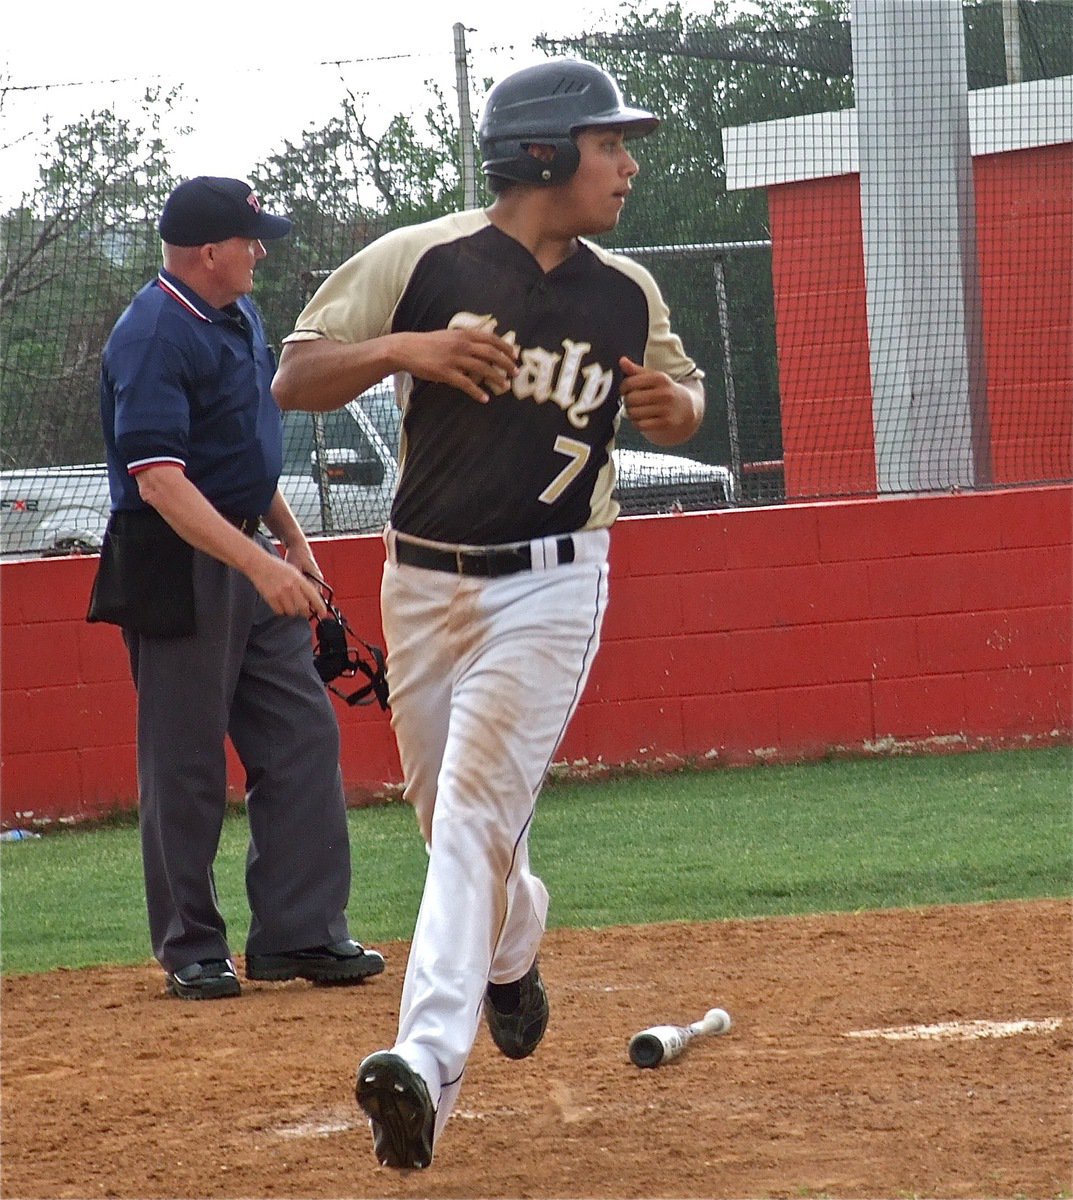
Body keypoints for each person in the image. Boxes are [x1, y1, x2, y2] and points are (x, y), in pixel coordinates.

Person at [271, 58, 704, 1168]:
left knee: (469, 816)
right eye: (609, 142)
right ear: (545, 153)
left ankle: (420, 1066)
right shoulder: (422, 260)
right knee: (449, 827)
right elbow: (297, 377)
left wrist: (675, 407)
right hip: (420, 584)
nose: (627, 162)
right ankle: (511, 951)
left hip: (555, 582)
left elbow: (682, 393)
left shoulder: (624, 289)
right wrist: (400, 350)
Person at [90, 176, 385, 1001]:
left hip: (246, 547)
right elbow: (160, 480)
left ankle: (300, 933)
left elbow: (244, 454)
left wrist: (294, 546)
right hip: (174, 556)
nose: (261, 251)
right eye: (250, 240)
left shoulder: (236, 316)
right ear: (208, 251)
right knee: (184, 761)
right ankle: (191, 946)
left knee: (300, 737)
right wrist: (257, 564)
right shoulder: (153, 331)